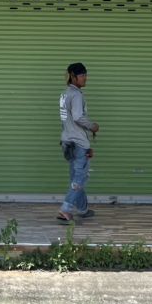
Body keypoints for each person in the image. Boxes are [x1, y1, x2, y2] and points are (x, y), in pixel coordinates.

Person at [57, 62, 99, 224]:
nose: (85, 78)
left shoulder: (65, 94)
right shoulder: (76, 95)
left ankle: (83, 209)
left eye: (85, 75)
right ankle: (65, 209)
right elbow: (77, 117)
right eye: (82, 75)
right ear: (73, 77)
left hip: (67, 141)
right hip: (78, 143)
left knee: (76, 176)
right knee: (80, 178)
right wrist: (93, 126)